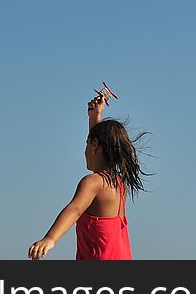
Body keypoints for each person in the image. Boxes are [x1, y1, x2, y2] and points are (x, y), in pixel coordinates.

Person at [28, 93, 149, 260]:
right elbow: (97, 141)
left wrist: (50, 239)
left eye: (87, 143)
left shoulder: (92, 183)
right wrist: (95, 116)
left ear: (94, 145)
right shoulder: (118, 184)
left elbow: (76, 209)